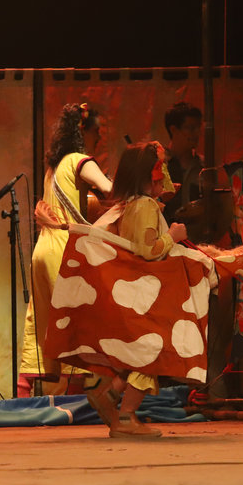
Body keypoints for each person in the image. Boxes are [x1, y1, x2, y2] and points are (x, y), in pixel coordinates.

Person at [78, 141, 187, 437]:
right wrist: (173, 236)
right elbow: (147, 250)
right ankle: (126, 416)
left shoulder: (131, 205)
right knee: (150, 354)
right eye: (160, 172)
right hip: (145, 294)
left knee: (140, 354)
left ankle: (109, 395)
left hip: (135, 292)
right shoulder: (145, 206)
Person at [18, 102, 113, 397]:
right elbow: (109, 189)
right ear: (83, 132)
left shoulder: (55, 167)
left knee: (42, 322)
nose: (100, 138)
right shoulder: (80, 161)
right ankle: (74, 402)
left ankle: (23, 398)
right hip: (64, 249)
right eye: (97, 131)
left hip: (43, 249)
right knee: (75, 321)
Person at [161, 101, 203, 227]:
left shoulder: (203, 166)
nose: (197, 133)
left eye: (198, 128)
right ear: (174, 130)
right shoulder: (160, 165)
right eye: (190, 128)